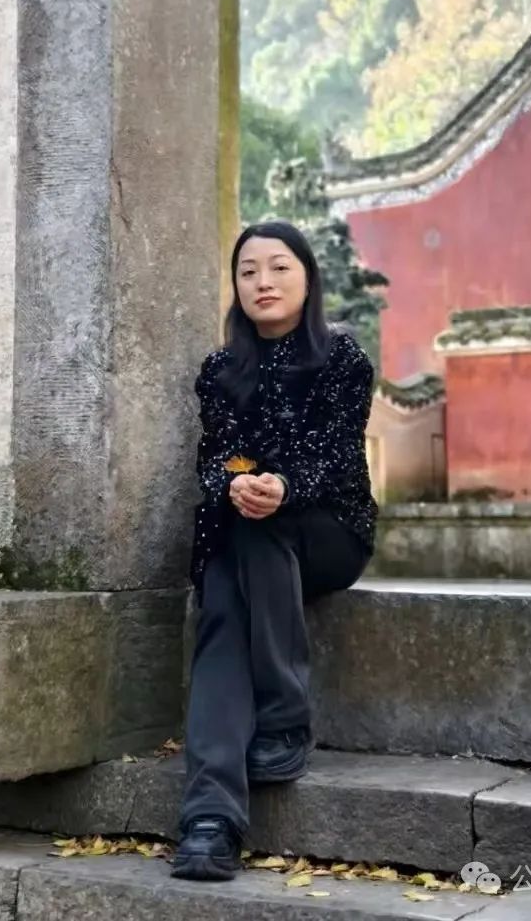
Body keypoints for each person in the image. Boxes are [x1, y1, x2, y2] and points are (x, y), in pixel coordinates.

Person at [170, 220, 378, 882]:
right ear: (235, 286)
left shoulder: (342, 359)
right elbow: (217, 457)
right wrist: (238, 481)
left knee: (257, 528)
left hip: (328, 532)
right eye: (249, 270)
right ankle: (210, 821)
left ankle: (283, 715)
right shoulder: (220, 370)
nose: (263, 281)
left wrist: (282, 486)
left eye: (279, 267)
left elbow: (338, 458)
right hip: (246, 528)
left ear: (307, 278)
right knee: (226, 597)